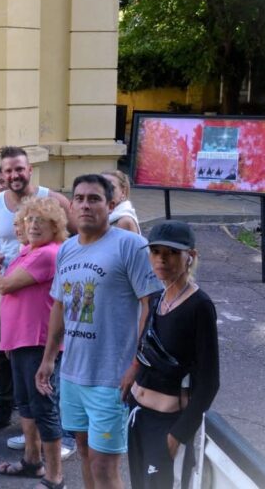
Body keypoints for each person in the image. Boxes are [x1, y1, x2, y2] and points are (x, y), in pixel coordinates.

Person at [35, 175, 162, 489]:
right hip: (74, 373)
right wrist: (49, 359)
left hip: (111, 378)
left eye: (94, 199)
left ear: (111, 205)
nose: (85, 205)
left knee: (105, 466)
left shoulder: (130, 245)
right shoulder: (66, 249)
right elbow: (60, 307)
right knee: (83, 451)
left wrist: (137, 364)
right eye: (79, 198)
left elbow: (152, 304)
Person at [0, 197, 68, 489]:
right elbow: (8, 287)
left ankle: (54, 477)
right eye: (30, 220)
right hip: (20, 341)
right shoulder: (28, 252)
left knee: (43, 407)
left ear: (56, 227)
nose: (34, 225)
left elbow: (4, 284)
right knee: (26, 404)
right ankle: (31, 462)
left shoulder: (47, 254)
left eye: (42, 221)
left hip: (37, 342)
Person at [0, 146, 72, 435]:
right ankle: (5, 408)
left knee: (40, 356)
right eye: (7, 170)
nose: (14, 175)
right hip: (6, 283)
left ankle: (51, 427)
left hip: (42, 287)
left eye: (19, 169)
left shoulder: (53, 200)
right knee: (2, 351)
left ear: (30, 169)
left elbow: (75, 240)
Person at [128, 222, 219, 489]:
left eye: (171, 252)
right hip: (138, 416)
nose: (161, 259)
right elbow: (145, 351)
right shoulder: (158, 297)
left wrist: (178, 434)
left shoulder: (200, 306)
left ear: (191, 256)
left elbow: (209, 381)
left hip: (166, 424)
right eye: (155, 251)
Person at [102, 169, 141, 235]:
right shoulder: (103, 215)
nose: (103, 191)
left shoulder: (123, 222)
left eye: (110, 187)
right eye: (100, 186)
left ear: (123, 192)